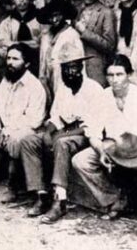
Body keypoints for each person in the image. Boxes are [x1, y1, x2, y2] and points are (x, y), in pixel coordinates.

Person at [72, 55, 137, 232]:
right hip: (114, 149)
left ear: (129, 75)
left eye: (119, 74)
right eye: (110, 75)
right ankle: (115, 200)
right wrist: (101, 152)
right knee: (81, 161)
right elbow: (93, 133)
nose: (114, 80)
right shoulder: (102, 97)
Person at [24, 49, 102, 223]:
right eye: (65, 68)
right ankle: (41, 194)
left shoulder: (94, 89)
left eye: (73, 67)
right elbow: (56, 116)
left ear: (81, 68)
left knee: (62, 143)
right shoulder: (63, 88)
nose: (69, 72)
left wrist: (60, 136)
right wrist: (48, 132)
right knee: (29, 141)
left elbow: (91, 127)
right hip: (63, 131)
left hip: (85, 135)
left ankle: (60, 201)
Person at [0, 43, 47, 206]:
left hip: (29, 132)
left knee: (15, 142)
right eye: (9, 58)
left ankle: (13, 186)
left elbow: (34, 120)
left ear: (27, 63)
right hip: (5, 132)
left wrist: (7, 131)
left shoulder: (34, 86)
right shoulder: (7, 81)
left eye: (15, 59)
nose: (10, 62)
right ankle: (17, 176)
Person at [74, 0, 117, 86]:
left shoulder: (106, 12)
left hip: (95, 70)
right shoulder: (74, 9)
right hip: (74, 67)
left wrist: (85, 32)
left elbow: (109, 46)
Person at [38, 0, 85, 95]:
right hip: (47, 83)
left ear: (64, 15)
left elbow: (80, 64)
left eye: (57, 15)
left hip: (64, 82)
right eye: (50, 16)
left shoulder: (72, 35)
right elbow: (42, 63)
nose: (54, 19)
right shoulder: (45, 36)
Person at [0, 0, 43, 75]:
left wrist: (13, 43)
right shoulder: (6, 23)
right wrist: (31, 44)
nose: (21, 0)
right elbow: (3, 50)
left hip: (39, 68)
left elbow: (43, 46)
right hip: (15, 70)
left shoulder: (41, 20)